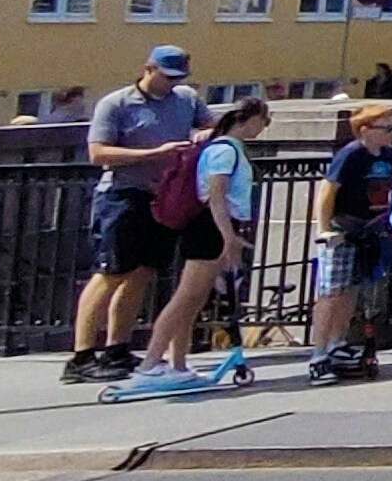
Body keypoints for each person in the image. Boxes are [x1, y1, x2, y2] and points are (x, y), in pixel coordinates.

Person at [67, 48, 210, 381]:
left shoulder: (186, 99)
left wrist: (204, 133)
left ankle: (118, 347)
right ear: (148, 69)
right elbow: (98, 152)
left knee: (142, 273)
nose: (172, 84)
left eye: (178, 78)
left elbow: (211, 125)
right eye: (167, 76)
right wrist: (153, 153)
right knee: (111, 272)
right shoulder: (116, 103)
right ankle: (81, 356)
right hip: (123, 195)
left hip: (163, 197)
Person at [111, 96, 272, 391]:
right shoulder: (225, 150)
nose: (264, 127)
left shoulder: (223, 147)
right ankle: (150, 364)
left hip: (209, 226)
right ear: (247, 120)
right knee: (186, 297)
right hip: (210, 227)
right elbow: (216, 195)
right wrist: (229, 238)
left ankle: (179, 364)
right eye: (264, 120)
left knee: (193, 300)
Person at [306, 99, 392, 381]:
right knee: (332, 291)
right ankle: (319, 352)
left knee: (352, 288)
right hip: (344, 226)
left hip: (370, 228)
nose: (391, 132)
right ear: (365, 129)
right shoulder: (350, 154)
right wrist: (324, 229)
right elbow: (327, 191)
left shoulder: (387, 155)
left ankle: (338, 342)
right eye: (386, 127)